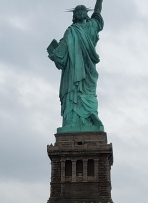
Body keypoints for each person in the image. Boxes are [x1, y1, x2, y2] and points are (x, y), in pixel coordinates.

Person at [48, 1, 104, 133]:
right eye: (77, 12)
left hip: (87, 68)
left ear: (86, 14)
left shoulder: (92, 26)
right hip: (72, 69)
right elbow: (62, 51)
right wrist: (55, 53)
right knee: (73, 92)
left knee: (89, 92)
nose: (79, 13)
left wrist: (99, 1)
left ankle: (91, 115)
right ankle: (71, 121)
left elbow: (97, 13)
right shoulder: (70, 31)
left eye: (82, 11)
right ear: (74, 15)